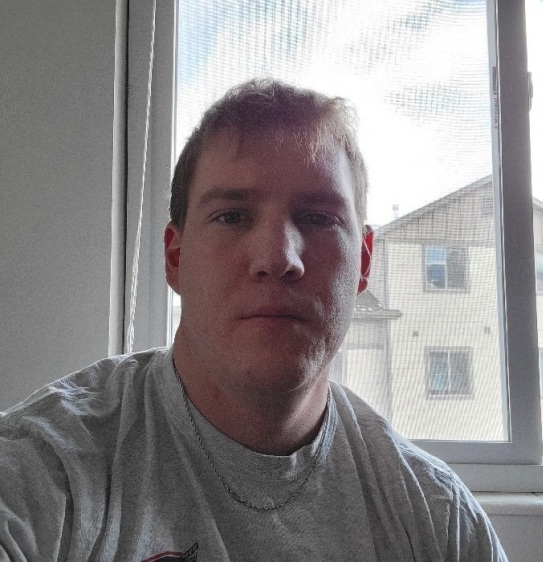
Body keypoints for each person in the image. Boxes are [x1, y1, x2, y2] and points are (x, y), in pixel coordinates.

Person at [0, 79, 507, 561]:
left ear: (363, 262)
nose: (278, 257)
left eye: (318, 218)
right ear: (175, 258)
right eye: (232, 216)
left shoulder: (439, 520)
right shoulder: (47, 468)